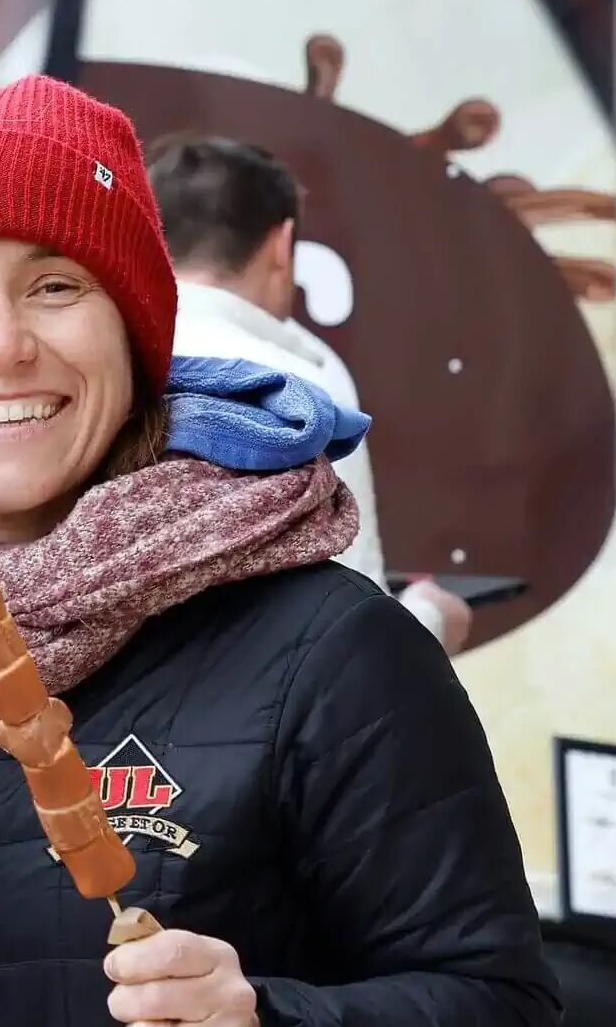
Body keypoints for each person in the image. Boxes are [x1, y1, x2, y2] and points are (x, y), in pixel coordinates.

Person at [0, 75, 560, 1027]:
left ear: (136, 328)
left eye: (56, 286)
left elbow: (506, 1021)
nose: (0, 345)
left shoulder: (329, 651)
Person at [145, 135, 476, 654]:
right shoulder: (301, 382)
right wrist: (433, 617)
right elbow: (350, 636)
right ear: (282, 245)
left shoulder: (111, 359)